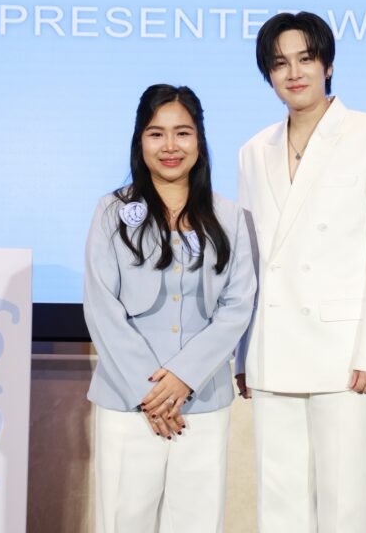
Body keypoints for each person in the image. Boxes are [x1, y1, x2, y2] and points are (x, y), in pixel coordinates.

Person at [234, 12, 366, 533]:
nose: (294, 73)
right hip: (273, 347)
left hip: (346, 354)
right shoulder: (253, 151)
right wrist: (243, 352)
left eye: (305, 59)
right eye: (279, 63)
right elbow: (249, 259)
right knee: (279, 507)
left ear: (327, 64)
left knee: (347, 506)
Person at [84, 84, 256, 533]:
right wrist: (152, 393)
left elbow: (237, 306)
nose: (170, 146)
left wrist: (183, 377)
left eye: (182, 132)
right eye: (156, 133)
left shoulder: (230, 218)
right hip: (128, 402)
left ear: (199, 139)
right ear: (140, 141)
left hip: (203, 402)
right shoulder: (112, 212)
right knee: (124, 521)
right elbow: (101, 307)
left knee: (198, 522)